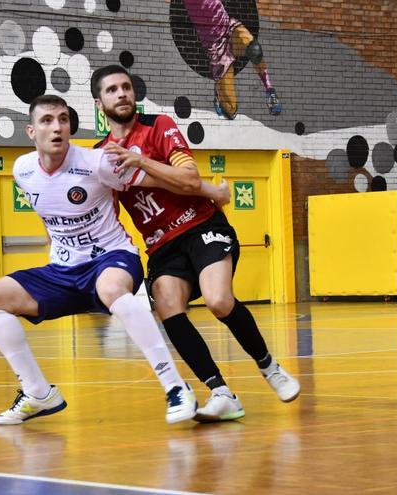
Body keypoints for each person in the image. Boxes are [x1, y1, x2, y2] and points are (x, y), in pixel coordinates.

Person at [0, 94, 230, 426]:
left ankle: (175, 387)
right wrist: (55, 247)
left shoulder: (96, 162)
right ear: (30, 131)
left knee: (111, 289)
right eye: (47, 121)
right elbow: (48, 211)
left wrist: (211, 191)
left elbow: (159, 181)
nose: (57, 128)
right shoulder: (23, 170)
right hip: (64, 269)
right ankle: (38, 393)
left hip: (111, 257)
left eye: (63, 120)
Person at [92, 65, 300, 423]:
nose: (122, 93)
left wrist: (143, 162)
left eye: (126, 87)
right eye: (112, 90)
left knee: (219, 301)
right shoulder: (100, 157)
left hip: (201, 225)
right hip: (160, 246)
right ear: (100, 102)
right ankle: (221, 393)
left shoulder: (159, 126)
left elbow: (189, 178)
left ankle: (270, 367)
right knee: (169, 306)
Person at [181, 0, 282, 118]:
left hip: (229, 28)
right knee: (230, 111)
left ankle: (270, 90)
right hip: (217, 51)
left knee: (254, 50)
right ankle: (219, 94)